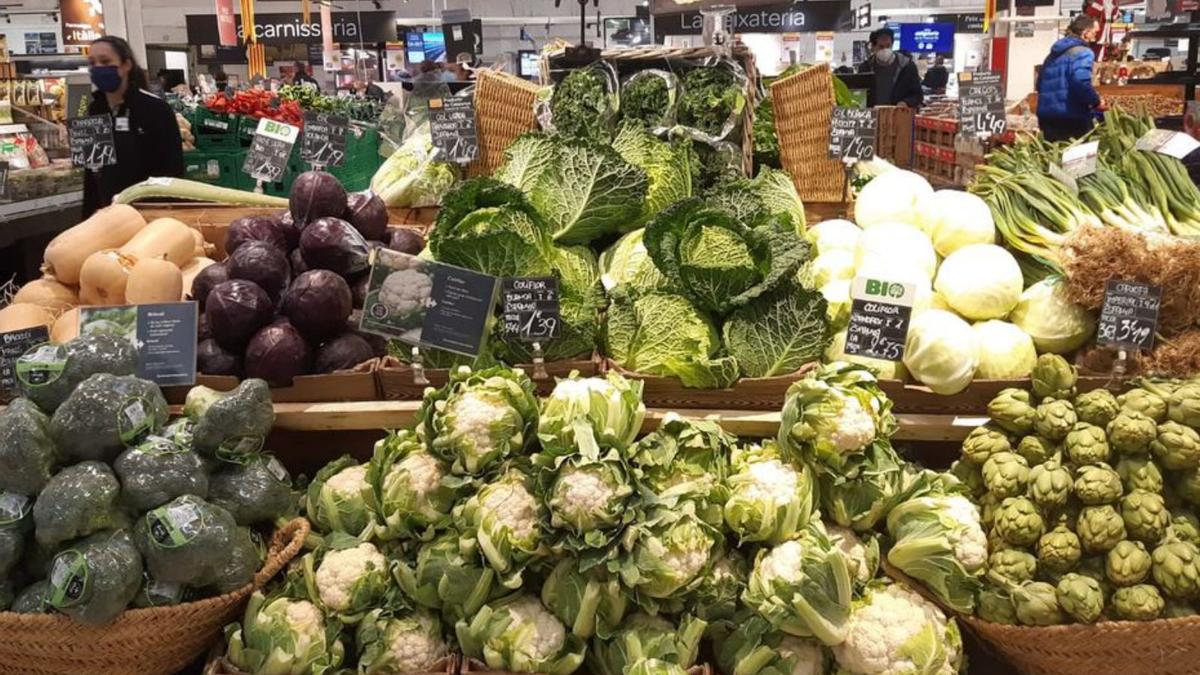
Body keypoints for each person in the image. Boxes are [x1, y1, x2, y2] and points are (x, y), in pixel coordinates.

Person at [82, 36, 184, 218]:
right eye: (92, 63)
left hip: (148, 215)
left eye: (105, 61)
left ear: (126, 65)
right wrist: (88, 217)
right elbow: (92, 171)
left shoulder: (155, 109)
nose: (98, 68)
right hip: (106, 215)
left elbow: (172, 171)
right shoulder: (94, 110)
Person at [1037, 15, 1104, 142]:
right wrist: (1096, 102)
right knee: (1075, 158)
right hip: (1071, 117)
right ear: (1085, 33)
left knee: (1052, 157)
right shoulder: (1084, 52)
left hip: (1047, 117)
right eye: (1095, 33)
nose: (1096, 37)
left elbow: (1039, 84)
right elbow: (1080, 82)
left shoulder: (1052, 55)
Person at [859, 28, 923, 108]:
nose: (885, 50)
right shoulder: (865, 68)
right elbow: (860, 95)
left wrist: (906, 102)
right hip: (873, 116)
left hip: (899, 115)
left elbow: (918, 95)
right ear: (873, 47)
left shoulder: (907, 66)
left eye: (888, 46)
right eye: (881, 47)